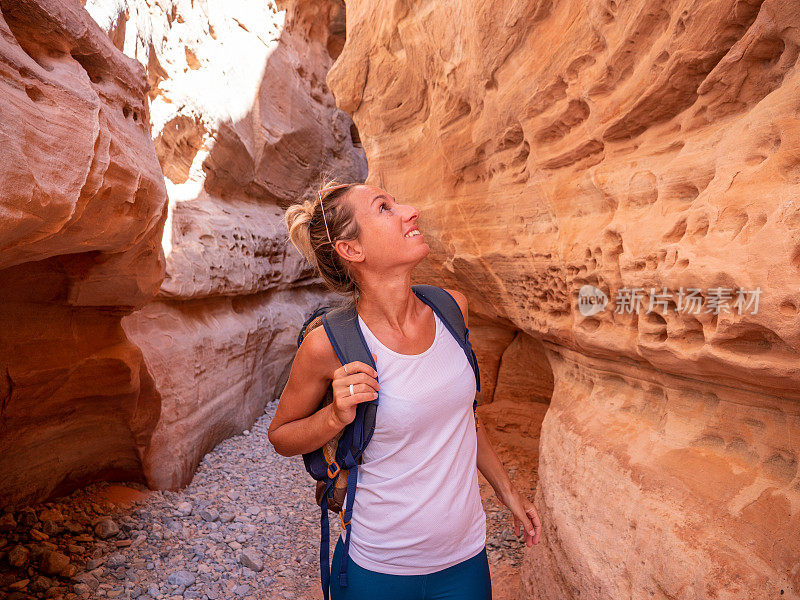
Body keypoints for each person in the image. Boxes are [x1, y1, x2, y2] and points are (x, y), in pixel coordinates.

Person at [268, 178, 542, 600]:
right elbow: (281, 436)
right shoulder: (328, 344)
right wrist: (335, 415)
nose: (409, 211)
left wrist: (509, 493)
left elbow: (465, 421)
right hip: (378, 568)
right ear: (352, 250)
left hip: (466, 558)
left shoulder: (452, 308)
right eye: (384, 208)